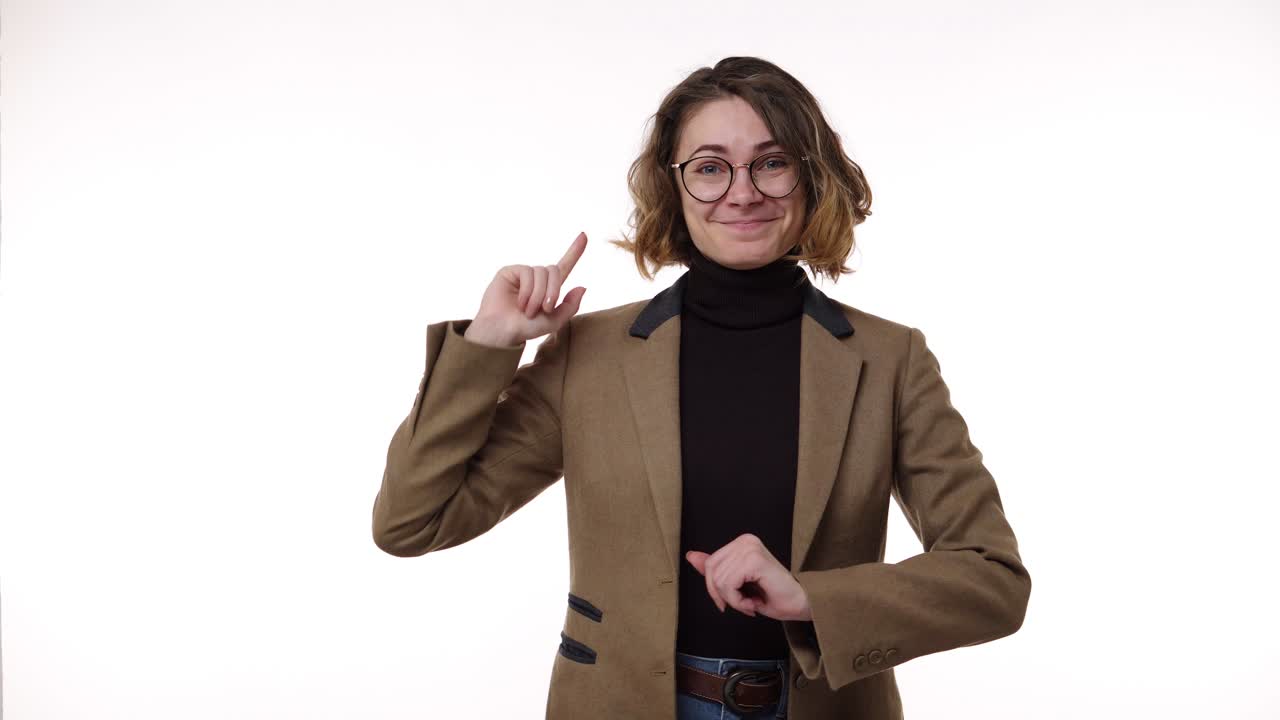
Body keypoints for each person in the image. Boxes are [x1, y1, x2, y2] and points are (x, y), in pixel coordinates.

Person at [371, 56, 1031, 720]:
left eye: (771, 163)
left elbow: (992, 578)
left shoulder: (891, 360)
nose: (742, 193)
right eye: (711, 167)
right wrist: (489, 344)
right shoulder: (589, 356)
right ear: (674, 185)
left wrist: (813, 600)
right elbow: (411, 522)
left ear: (812, 176)